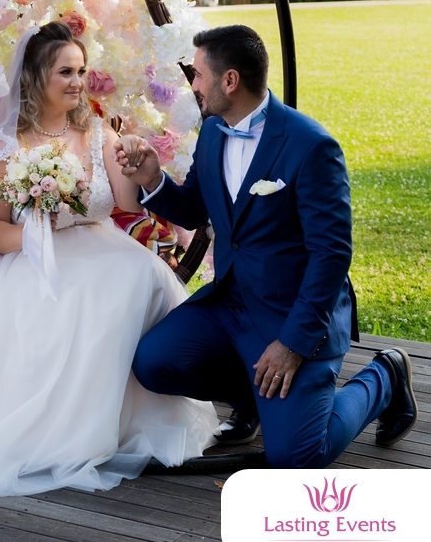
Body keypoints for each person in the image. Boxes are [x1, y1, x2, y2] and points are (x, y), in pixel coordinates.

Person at [0, 22, 218, 496]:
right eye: (65, 72)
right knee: (86, 293)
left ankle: (127, 420)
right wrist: (36, 236)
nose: (77, 82)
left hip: (103, 244)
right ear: (34, 77)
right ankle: (69, 432)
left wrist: (134, 160)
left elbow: (125, 201)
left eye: (81, 71)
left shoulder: (96, 132)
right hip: (29, 254)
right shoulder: (6, 146)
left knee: (140, 275)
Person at [115, 25, 418, 469]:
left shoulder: (311, 146)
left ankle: (384, 378)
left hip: (290, 313)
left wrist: (292, 343)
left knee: (296, 458)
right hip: (231, 304)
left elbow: (332, 254)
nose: (193, 85)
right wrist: (152, 180)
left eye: (198, 75)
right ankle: (254, 397)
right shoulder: (213, 131)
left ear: (230, 80)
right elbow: (196, 209)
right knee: (154, 363)